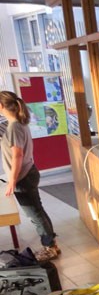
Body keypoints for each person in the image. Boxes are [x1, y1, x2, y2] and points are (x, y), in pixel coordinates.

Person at [0, 91, 60, 261]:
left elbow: (17, 155)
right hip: (28, 172)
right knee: (38, 211)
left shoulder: (14, 127)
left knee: (35, 215)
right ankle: (52, 245)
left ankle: (50, 248)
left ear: (1, 106)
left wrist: (12, 181)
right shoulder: (17, 123)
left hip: (23, 177)